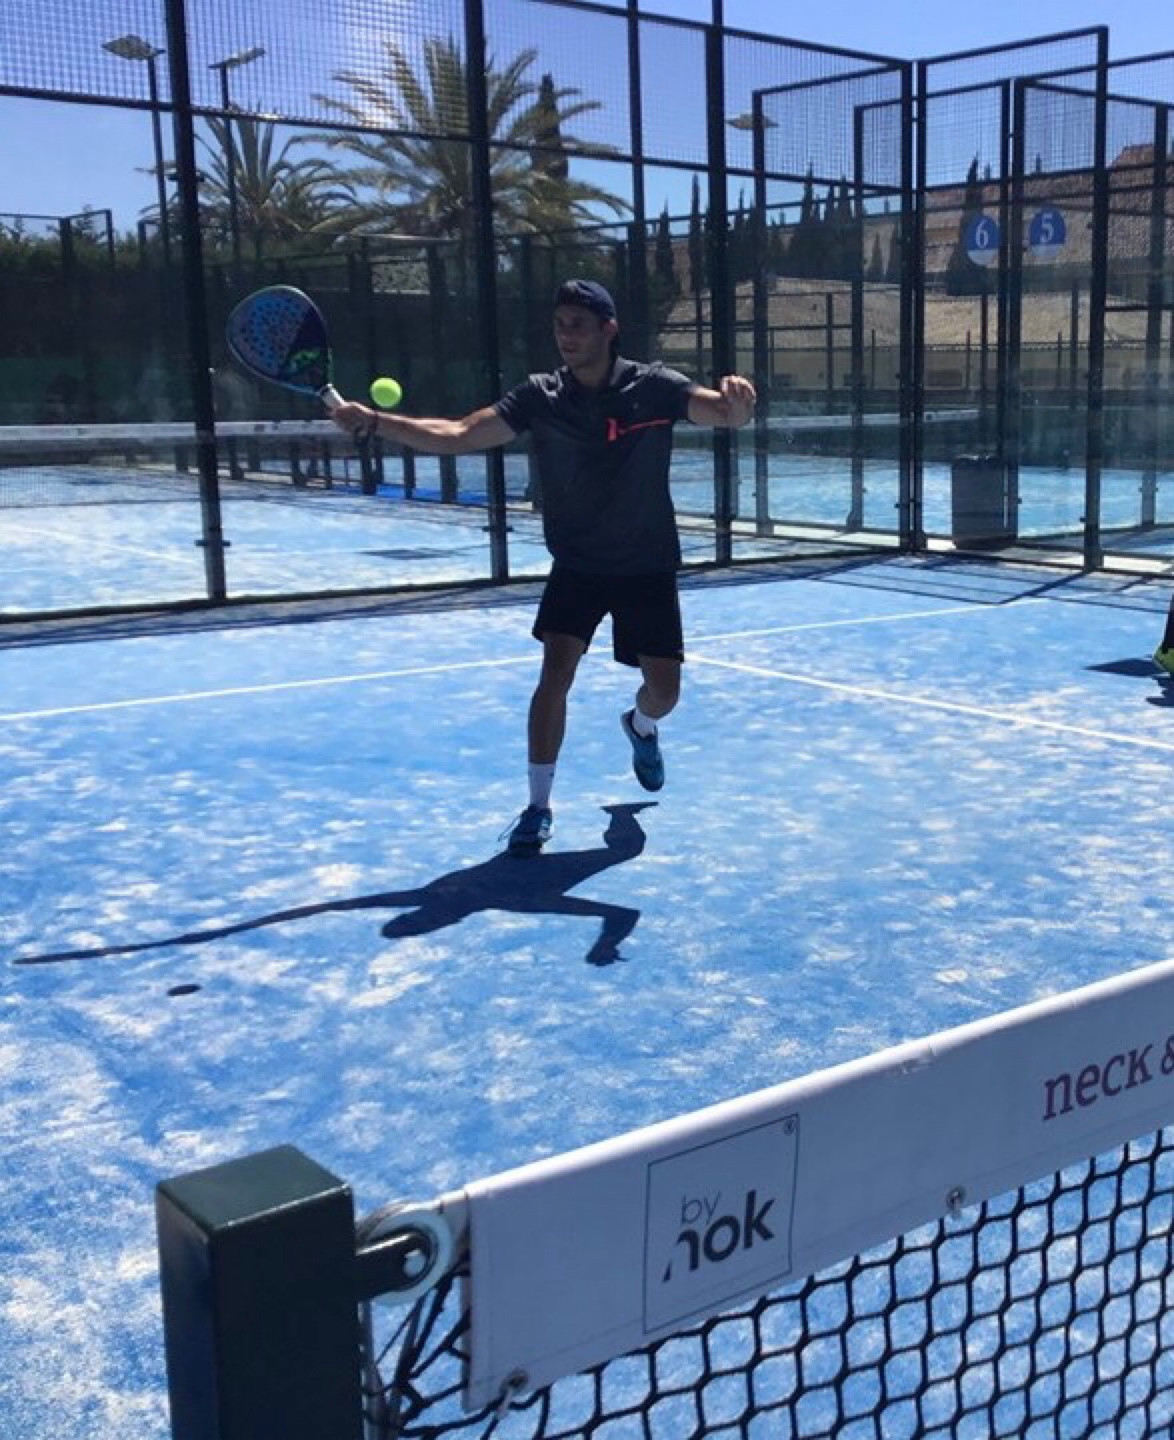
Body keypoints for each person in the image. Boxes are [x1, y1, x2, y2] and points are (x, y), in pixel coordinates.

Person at [331, 278, 756, 855]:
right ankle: (537, 807)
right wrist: (377, 422)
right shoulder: (540, 396)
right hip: (577, 562)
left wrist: (736, 407)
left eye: (578, 325)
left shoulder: (654, 387)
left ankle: (641, 724)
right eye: (559, 325)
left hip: (645, 564)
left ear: (609, 329)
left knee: (664, 693)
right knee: (555, 673)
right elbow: (459, 434)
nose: (566, 336)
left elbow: (718, 412)